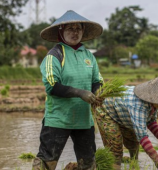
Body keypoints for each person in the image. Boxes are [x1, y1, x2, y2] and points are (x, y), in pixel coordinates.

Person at [32, 10, 103, 170]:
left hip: (84, 119)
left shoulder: (89, 56)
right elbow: (52, 86)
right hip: (58, 119)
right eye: (70, 29)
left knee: (88, 164)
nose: (75, 32)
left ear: (83, 31)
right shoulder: (54, 55)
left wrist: (98, 92)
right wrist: (80, 93)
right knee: (47, 162)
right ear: (61, 31)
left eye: (78, 28)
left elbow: (97, 81)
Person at [94, 76, 158, 170]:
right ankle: (115, 166)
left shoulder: (152, 105)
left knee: (133, 144)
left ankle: (134, 166)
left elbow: (151, 122)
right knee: (115, 150)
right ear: (152, 97)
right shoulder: (137, 105)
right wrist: (156, 158)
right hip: (106, 110)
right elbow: (142, 135)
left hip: (123, 112)